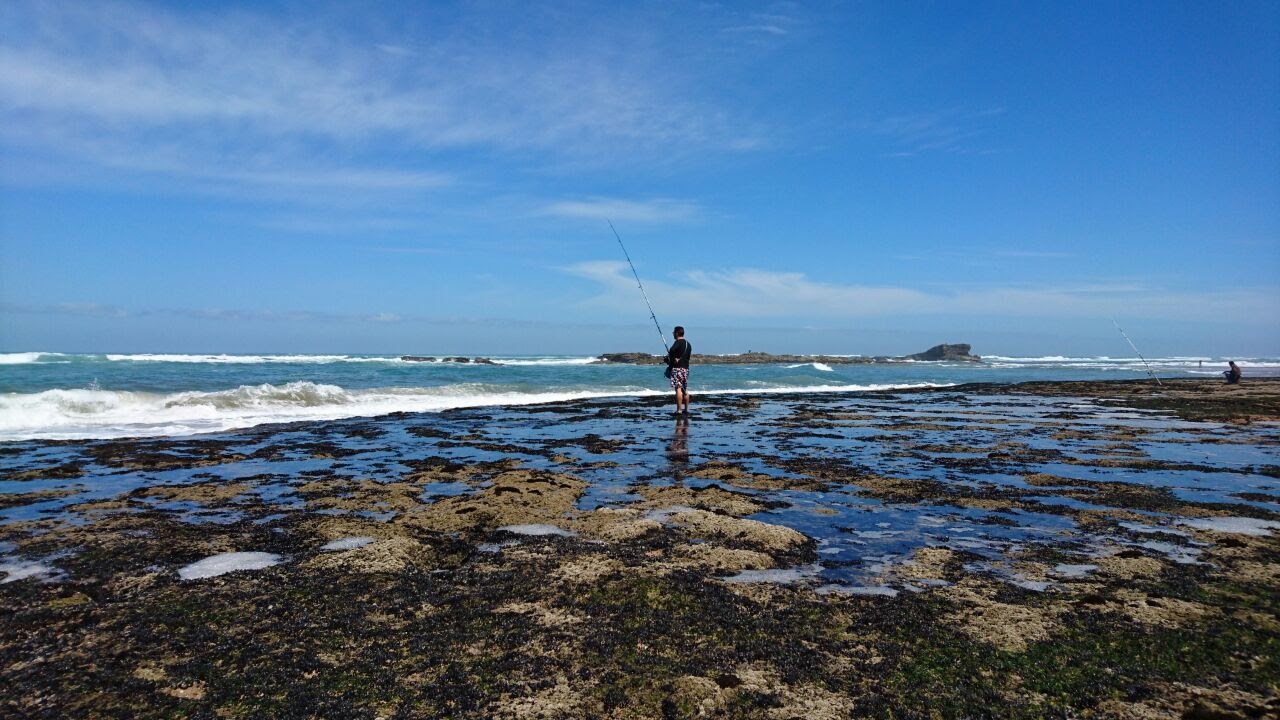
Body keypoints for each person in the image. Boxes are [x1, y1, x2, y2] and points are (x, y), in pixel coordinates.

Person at [665, 326, 692, 416]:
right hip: (686, 369)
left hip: (677, 369)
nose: (673, 334)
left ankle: (679, 410)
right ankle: (686, 409)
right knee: (684, 389)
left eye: (673, 332)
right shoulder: (688, 344)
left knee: (678, 389)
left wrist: (671, 359)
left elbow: (672, 350)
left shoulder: (677, 342)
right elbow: (686, 357)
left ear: (677, 333)